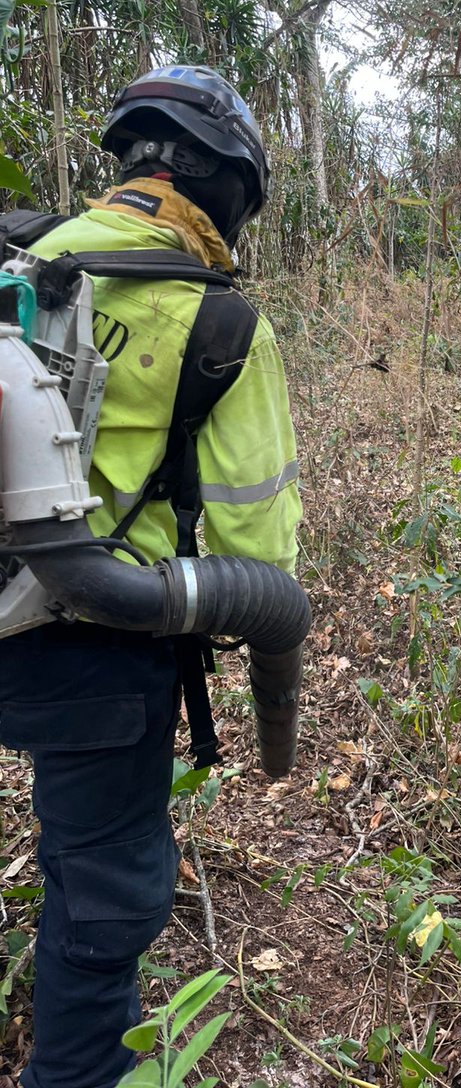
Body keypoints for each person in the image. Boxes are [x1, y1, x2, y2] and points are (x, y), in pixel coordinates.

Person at [0, 65, 303, 1088]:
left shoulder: (21, 260)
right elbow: (262, 557)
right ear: (224, 191)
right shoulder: (221, 323)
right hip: (99, 657)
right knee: (103, 895)